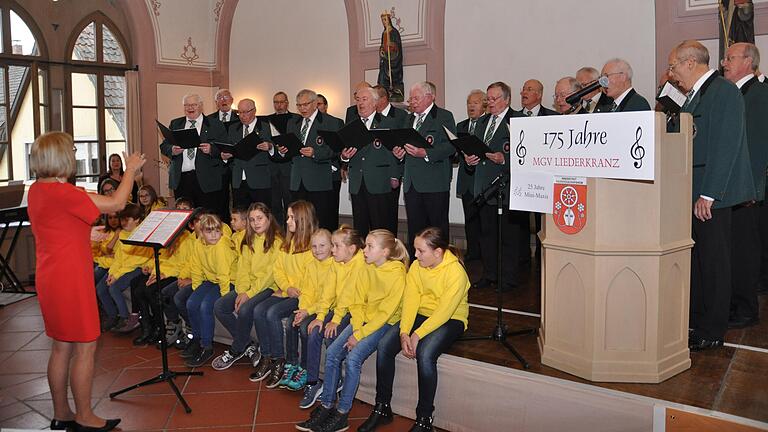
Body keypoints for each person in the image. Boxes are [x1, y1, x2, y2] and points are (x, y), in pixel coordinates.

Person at [28, 131, 144, 431]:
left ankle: (61, 413)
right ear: (61, 156)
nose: (75, 155)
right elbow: (118, 203)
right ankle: (84, 416)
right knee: (86, 346)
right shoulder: (66, 193)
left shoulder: (37, 191)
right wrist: (130, 170)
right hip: (70, 278)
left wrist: (83, 234)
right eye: (72, 150)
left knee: (61, 347)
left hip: (49, 275)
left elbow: (59, 226)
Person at [667, 40, 755, 351]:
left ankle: (713, 330)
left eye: (674, 65)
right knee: (701, 262)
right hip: (695, 192)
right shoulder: (694, 96)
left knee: (715, 263)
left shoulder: (723, 91)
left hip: (712, 195)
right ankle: (700, 322)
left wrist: (709, 194)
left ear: (690, 62)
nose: (672, 73)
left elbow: (726, 146)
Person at [296, 229, 408, 432]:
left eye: (370, 247)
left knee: (353, 358)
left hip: (384, 323)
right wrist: (357, 328)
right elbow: (356, 301)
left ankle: (342, 413)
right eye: (366, 246)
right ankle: (327, 405)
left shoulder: (397, 274)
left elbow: (385, 313)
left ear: (384, 252)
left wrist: (360, 334)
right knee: (331, 354)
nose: (365, 250)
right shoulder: (367, 267)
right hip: (362, 322)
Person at [359, 227, 469, 432]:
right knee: (384, 345)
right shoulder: (418, 267)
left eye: (420, 251)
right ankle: (383, 407)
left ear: (438, 253)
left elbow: (444, 312)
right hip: (422, 314)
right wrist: (404, 332)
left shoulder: (455, 272)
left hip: (452, 318)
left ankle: (424, 419)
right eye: (415, 250)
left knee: (425, 354)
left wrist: (418, 334)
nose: (415, 255)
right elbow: (411, 301)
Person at [465, 81, 526, 292]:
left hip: (507, 187)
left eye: (493, 99)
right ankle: (489, 274)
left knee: (508, 236)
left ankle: (508, 278)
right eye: (488, 99)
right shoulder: (482, 123)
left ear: (507, 99)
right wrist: (469, 160)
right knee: (487, 235)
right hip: (484, 188)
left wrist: (504, 159)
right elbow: (477, 151)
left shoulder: (519, 120)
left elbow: (527, 155)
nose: (489, 103)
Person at [722, 42, 767, 329]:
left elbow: (757, 144)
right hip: (735, 188)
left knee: (746, 251)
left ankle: (747, 308)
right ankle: (734, 303)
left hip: (747, 189)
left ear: (748, 62)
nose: (724, 62)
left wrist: (752, 187)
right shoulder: (736, 94)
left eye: (730, 58)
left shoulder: (759, 95)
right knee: (734, 249)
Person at [250, 200, 318, 385]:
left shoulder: (313, 246)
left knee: (272, 313)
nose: (287, 221)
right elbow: (277, 270)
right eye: (288, 217)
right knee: (258, 310)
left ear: (302, 220)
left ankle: (281, 360)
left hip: (303, 296)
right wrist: (287, 287)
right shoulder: (287, 243)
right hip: (289, 291)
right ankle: (267, 356)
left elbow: (312, 277)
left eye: (291, 217)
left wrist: (292, 290)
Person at [299, 225, 365, 409]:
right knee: (314, 330)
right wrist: (320, 317)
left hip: (354, 311)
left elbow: (348, 297)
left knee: (330, 335)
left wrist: (335, 320)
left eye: (335, 246)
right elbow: (329, 291)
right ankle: (313, 383)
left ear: (351, 249)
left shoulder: (360, 264)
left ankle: (337, 381)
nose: (332, 250)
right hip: (341, 309)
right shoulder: (337, 262)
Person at [211, 202, 283, 370]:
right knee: (220, 306)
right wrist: (241, 291)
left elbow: (269, 275)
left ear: (268, 219)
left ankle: (237, 349)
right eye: (252, 220)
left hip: (268, 287)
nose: (256, 223)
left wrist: (249, 294)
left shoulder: (276, 241)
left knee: (244, 309)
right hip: (248, 286)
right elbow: (242, 269)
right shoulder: (248, 240)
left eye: (260, 218)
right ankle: (247, 344)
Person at [393, 81, 456, 256]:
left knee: (437, 228)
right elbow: (404, 144)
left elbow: (451, 146)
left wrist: (426, 153)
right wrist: (400, 153)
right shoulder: (409, 118)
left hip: (435, 182)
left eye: (415, 98)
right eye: (410, 98)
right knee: (415, 228)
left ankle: (441, 265)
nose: (411, 102)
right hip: (412, 183)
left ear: (430, 97)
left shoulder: (444, 116)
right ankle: (416, 266)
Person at [341, 86, 402, 237]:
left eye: (364, 99)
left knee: (380, 227)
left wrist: (395, 175)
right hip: (357, 182)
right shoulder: (351, 125)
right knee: (359, 227)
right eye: (358, 100)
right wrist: (344, 157)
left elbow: (395, 152)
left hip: (379, 181)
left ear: (375, 102)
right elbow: (342, 151)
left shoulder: (389, 123)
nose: (360, 103)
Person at [280, 89, 344, 231]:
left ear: (315, 104)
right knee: (299, 222)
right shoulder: (293, 123)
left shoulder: (331, 122)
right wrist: (284, 150)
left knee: (321, 221)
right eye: (299, 105)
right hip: (297, 179)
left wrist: (315, 153)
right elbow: (291, 147)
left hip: (319, 179)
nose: (302, 108)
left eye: (305, 104)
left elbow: (336, 149)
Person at [159, 94, 229, 219]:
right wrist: (172, 150)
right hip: (182, 180)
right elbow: (164, 146)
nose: (190, 108)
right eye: (186, 105)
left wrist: (211, 149)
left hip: (206, 180)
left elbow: (225, 148)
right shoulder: (176, 123)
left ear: (201, 106)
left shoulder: (215, 124)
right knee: (184, 219)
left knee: (206, 218)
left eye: (193, 105)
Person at [281, 228, 335, 391]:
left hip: (327, 308)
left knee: (305, 328)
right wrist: (302, 309)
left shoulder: (334, 266)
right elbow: (307, 291)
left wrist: (308, 311)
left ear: (332, 246)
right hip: (311, 307)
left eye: (322, 246)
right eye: (314, 246)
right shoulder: (311, 265)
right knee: (292, 321)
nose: (318, 250)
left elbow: (329, 298)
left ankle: (305, 368)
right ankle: (291, 364)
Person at [180, 213, 235, 367]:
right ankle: (196, 339)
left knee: (205, 306)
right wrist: (197, 291)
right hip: (211, 280)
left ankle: (207, 346)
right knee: (192, 303)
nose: (214, 235)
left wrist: (225, 298)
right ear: (202, 233)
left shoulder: (221, 247)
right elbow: (196, 269)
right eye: (209, 232)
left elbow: (224, 275)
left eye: (217, 231)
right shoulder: (199, 244)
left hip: (228, 281)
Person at [95, 203, 152, 333]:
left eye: (127, 219)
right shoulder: (123, 234)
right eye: (122, 219)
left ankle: (126, 318)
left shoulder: (143, 234)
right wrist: (112, 273)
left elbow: (137, 260)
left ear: (137, 219)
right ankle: (112, 316)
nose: (123, 222)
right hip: (122, 268)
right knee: (101, 289)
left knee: (114, 288)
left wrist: (117, 275)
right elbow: (119, 258)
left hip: (137, 268)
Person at [220, 98, 274, 209]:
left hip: (259, 180)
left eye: (245, 112)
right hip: (238, 179)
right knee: (240, 216)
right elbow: (229, 148)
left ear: (254, 110)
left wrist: (270, 147)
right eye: (239, 112)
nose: (242, 116)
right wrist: (225, 156)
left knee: (261, 214)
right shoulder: (233, 128)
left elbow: (278, 149)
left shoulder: (266, 127)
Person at [455, 89, 487, 262]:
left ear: (484, 105)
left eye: (475, 103)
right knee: (470, 218)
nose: (471, 106)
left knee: (484, 220)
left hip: (482, 181)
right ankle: (473, 252)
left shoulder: (488, 124)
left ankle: (485, 253)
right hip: (466, 180)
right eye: (469, 103)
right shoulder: (461, 126)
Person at [268, 91, 301, 225]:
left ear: (287, 103)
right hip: (272, 166)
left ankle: (291, 231)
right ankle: (276, 232)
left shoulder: (296, 119)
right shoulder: (267, 119)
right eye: (276, 102)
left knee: (290, 202)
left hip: (289, 166)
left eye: (281, 102)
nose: (279, 105)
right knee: (274, 202)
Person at [378, 10, 404, 101]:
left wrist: (392, 46)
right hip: (385, 60)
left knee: (392, 76)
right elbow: (382, 46)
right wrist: (382, 51)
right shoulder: (384, 33)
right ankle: (384, 95)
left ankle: (394, 93)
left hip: (393, 61)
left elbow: (397, 47)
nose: (384, 22)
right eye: (382, 20)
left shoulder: (394, 32)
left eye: (385, 20)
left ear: (389, 20)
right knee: (382, 79)